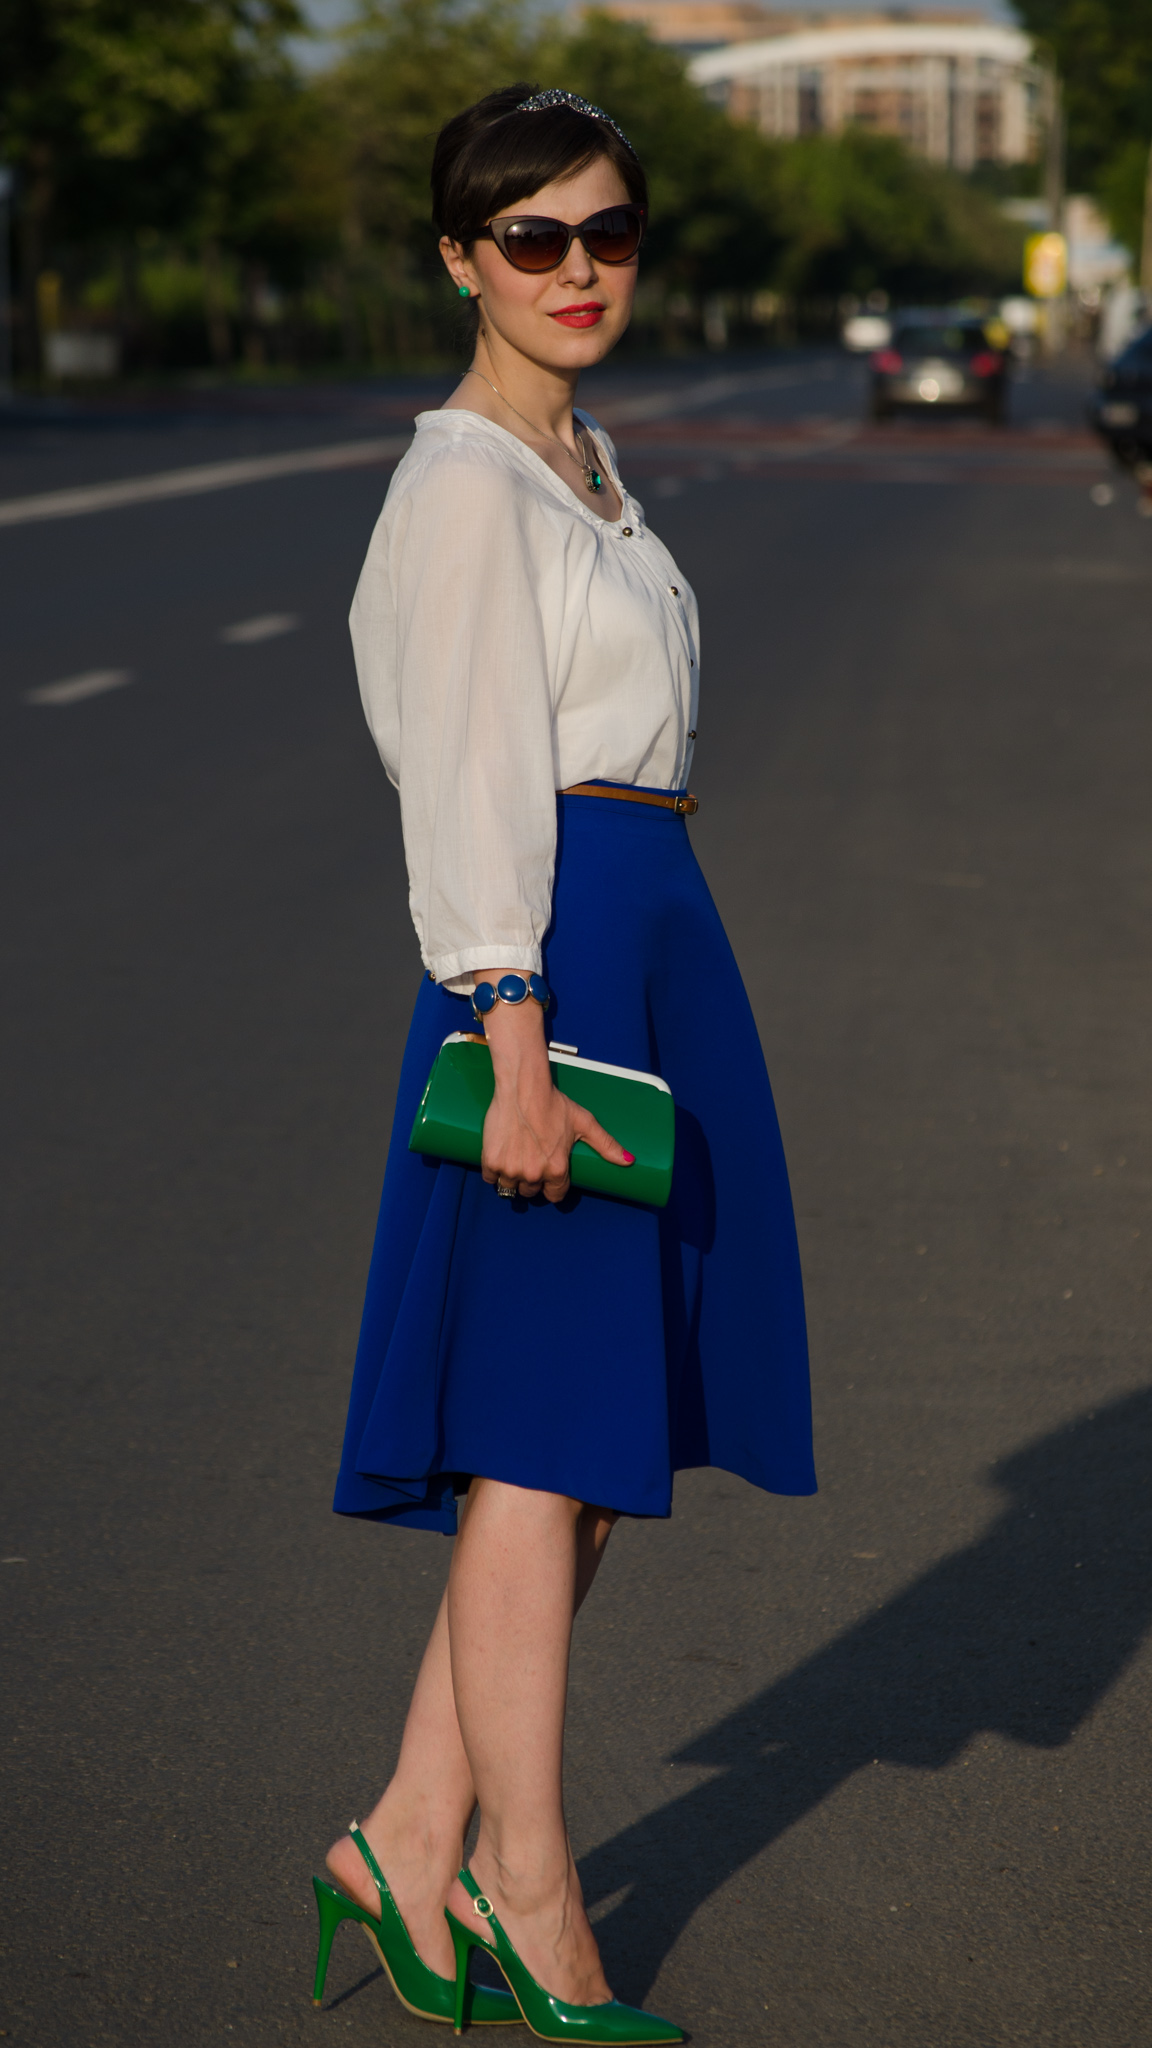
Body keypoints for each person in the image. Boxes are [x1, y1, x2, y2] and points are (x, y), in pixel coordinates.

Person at [311, 85, 815, 2042]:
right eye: (534, 238)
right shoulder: (461, 481)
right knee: (542, 1446)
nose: (580, 268)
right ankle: (531, 1887)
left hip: (649, 932)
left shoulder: (584, 460)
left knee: (584, 1451)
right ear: (460, 256)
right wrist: (512, 1031)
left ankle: (406, 1831)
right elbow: (464, 778)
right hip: (554, 955)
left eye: (606, 232)